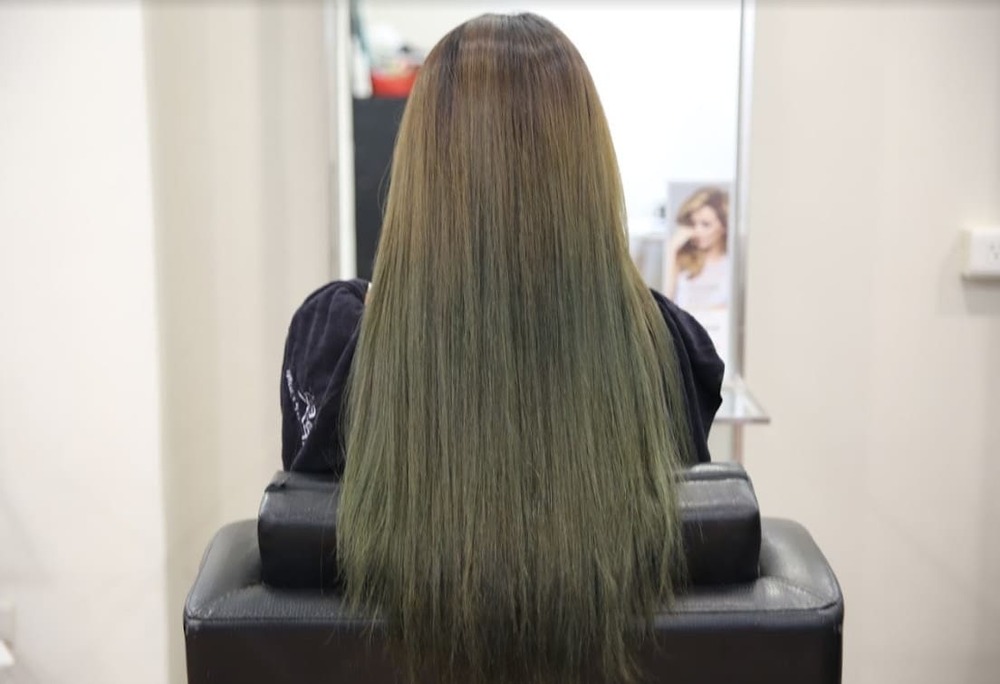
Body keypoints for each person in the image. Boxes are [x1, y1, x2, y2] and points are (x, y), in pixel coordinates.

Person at [280, 13, 723, 684]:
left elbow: (309, 564)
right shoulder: (669, 348)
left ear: (421, 170)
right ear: (588, 171)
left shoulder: (333, 345)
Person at [664, 187, 730, 312]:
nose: (696, 231)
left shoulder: (732, 266)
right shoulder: (682, 261)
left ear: (724, 226)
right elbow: (665, 310)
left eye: (705, 224)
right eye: (693, 224)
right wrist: (672, 251)